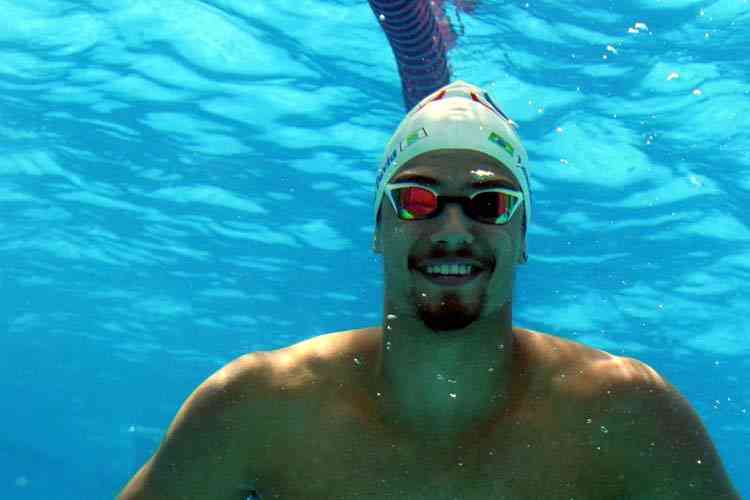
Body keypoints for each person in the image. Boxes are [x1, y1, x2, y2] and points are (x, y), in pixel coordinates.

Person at [118, 81, 740, 499]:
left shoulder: (628, 412)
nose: (452, 228)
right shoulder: (259, 408)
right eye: (415, 200)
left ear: (521, 237)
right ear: (378, 229)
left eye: (490, 204)